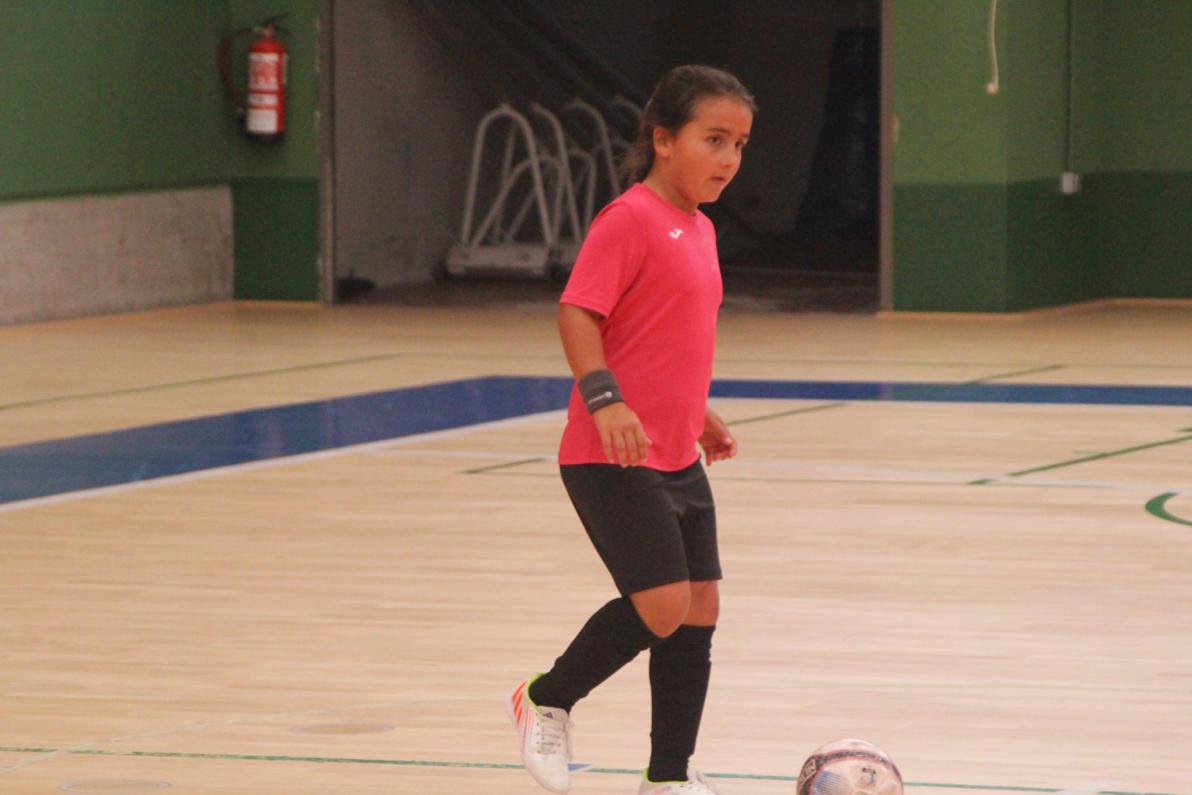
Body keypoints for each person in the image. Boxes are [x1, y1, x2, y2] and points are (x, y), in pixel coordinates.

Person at [506, 64, 756, 795]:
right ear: (663, 139)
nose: (728, 158)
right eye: (713, 139)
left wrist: (695, 411)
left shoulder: (700, 228)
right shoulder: (630, 218)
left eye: (739, 145)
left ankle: (668, 777)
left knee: (700, 606)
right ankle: (546, 697)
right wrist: (605, 400)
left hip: (674, 451)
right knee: (663, 605)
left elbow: (661, 334)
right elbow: (579, 312)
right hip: (609, 452)